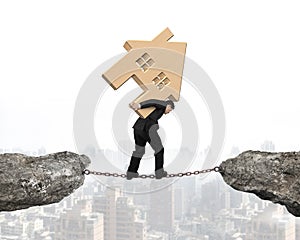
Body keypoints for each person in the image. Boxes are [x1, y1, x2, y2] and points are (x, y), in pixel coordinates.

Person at [126, 99, 175, 180]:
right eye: (169, 110)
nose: (168, 112)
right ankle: (159, 172)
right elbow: (153, 101)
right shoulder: (163, 105)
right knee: (159, 149)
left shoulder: (156, 110)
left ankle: (131, 172)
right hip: (148, 128)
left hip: (138, 128)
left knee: (139, 151)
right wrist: (139, 105)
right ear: (169, 105)